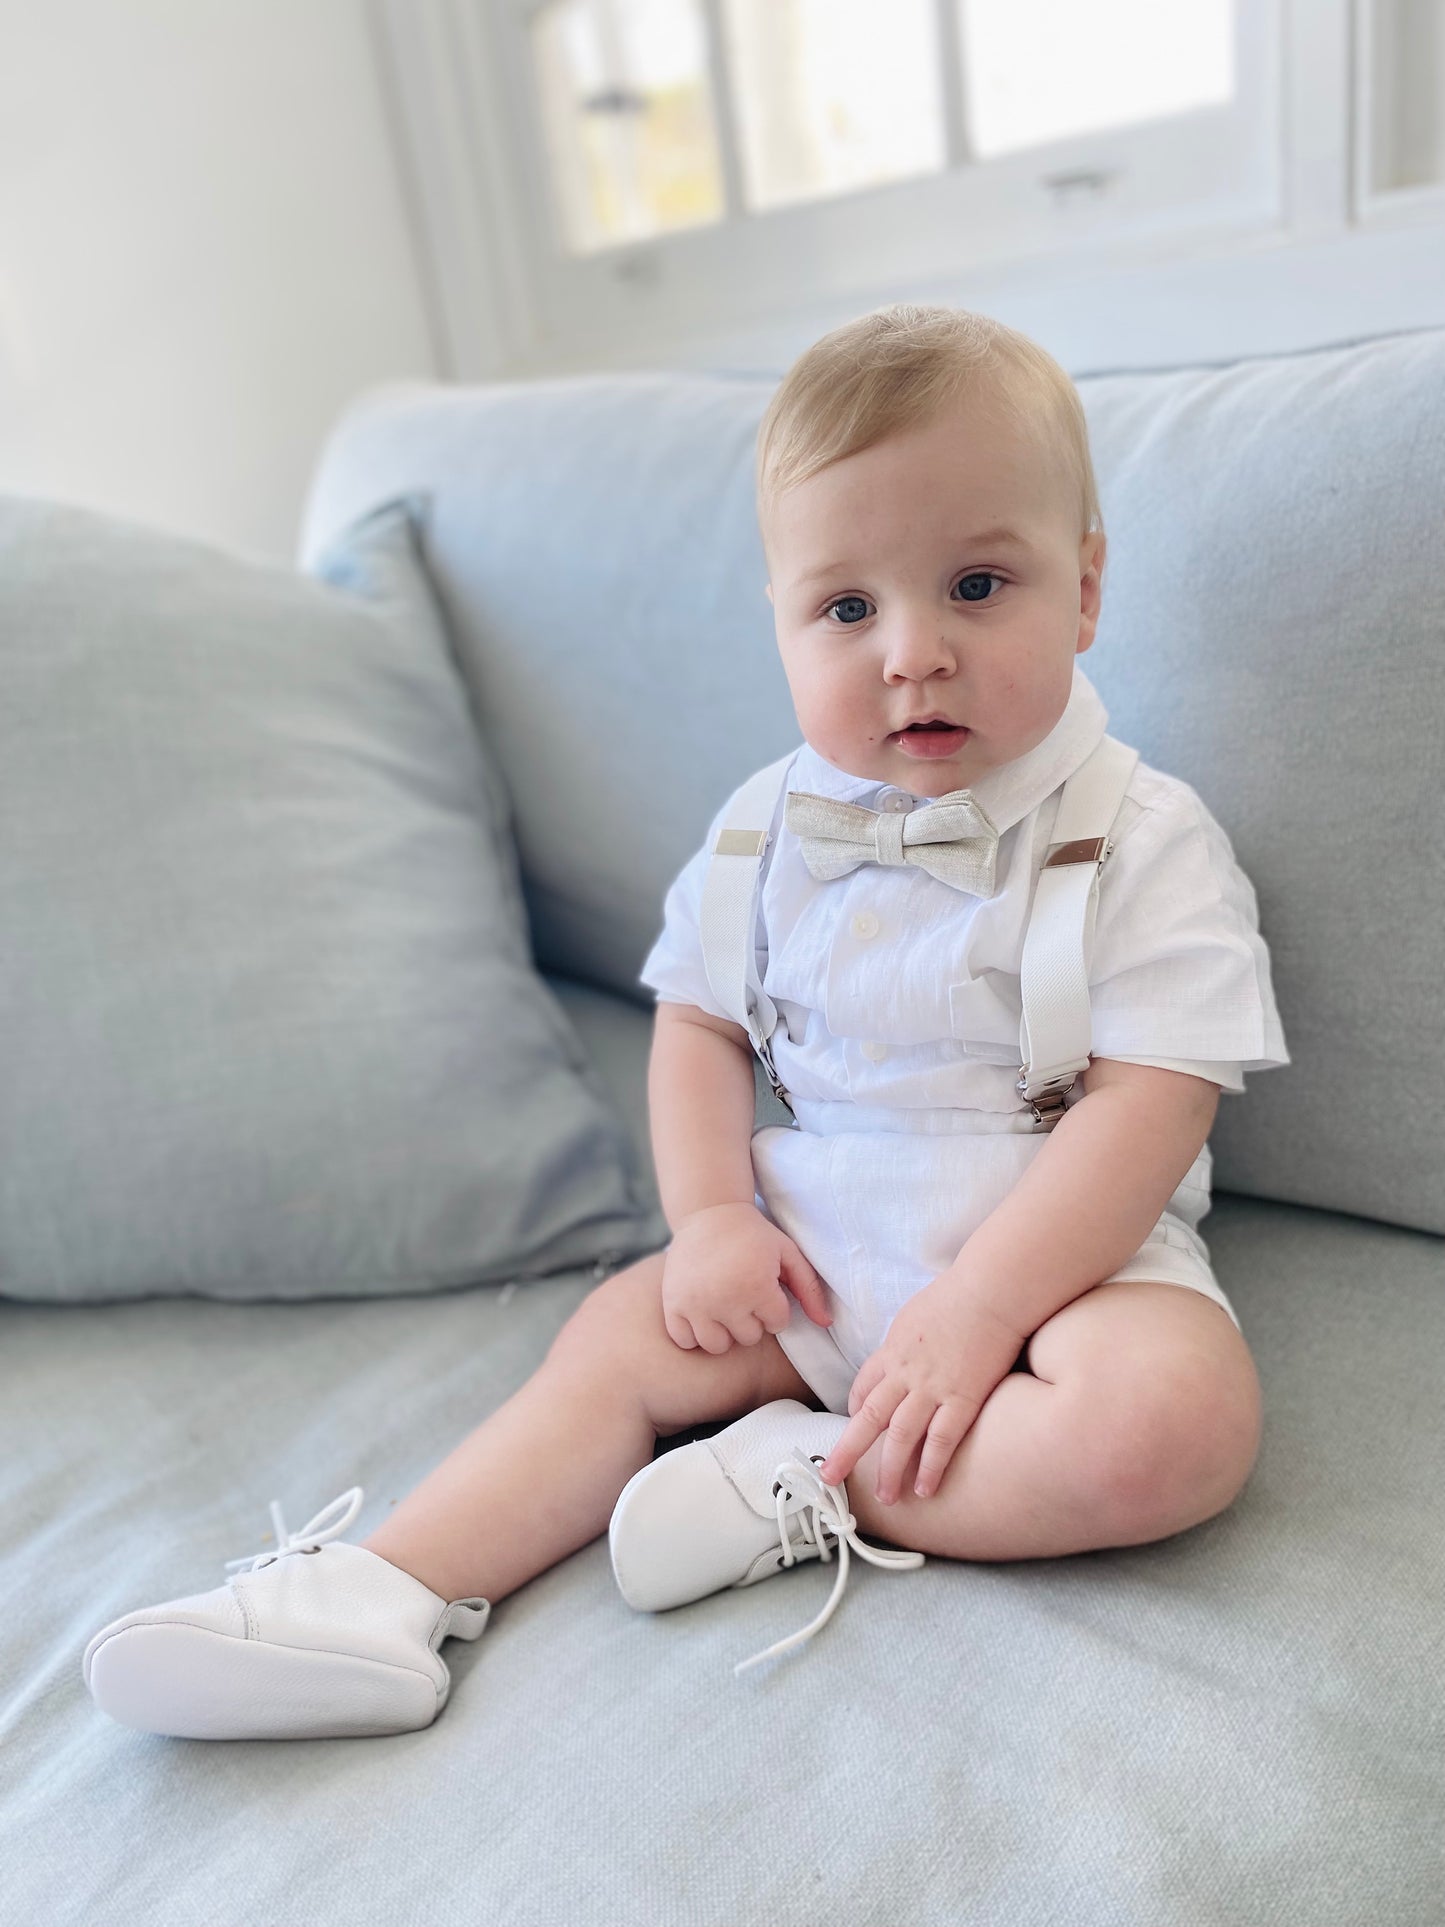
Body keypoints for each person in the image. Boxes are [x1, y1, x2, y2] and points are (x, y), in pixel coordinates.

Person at [82, 304, 1288, 1739]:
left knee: (1172, 1431)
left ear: (1082, 594)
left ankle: (803, 1479)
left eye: (975, 585)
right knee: (616, 1337)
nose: (911, 652)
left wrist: (979, 1309)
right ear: (778, 623)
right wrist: (713, 1215)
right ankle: (380, 1591)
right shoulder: (758, 831)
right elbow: (699, 1028)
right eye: (847, 609)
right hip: (818, 1245)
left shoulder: (1144, 836)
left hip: (1064, 1265)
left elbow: (1151, 1103)